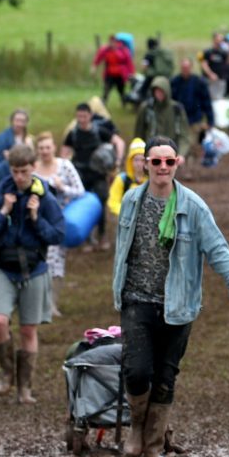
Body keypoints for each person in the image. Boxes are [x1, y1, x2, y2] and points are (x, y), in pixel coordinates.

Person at [113, 136, 229, 457]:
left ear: (178, 164)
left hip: (178, 306)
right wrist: (117, 290)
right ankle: (136, 428)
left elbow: (219, 253)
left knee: (165, 376)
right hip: (136, 299)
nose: (162, 167)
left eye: (169, 161)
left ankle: (152, 448)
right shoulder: (131, 201)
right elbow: (122, 253)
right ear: (144, 164)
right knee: (136, 372)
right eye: (156, 161)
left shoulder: (193, 206)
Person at [0, 144, 65, 405]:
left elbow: (58, 235)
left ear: (34, 168)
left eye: (24, 171)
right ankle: (6, 374)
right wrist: (4, 211)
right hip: (3, 267)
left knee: (28, 329)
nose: (19, 177)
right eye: (15, 171)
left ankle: (25, 387)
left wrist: (36, 218)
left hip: (34, 269)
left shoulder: (46, 198)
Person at [33, 132, 85, 317]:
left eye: (48, 147)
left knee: (55, 262)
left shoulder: (65, 166)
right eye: (41, 148)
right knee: (39, 261)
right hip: (38, 222)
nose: (45, 151)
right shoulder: (33, 171)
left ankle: (52, 304)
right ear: (37, 150)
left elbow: (80, 191)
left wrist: (63, 187)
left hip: (61, 221)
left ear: (53, 147)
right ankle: (39, 304)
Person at [62, 102, 125, 250]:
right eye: (79, 116)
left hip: (98, 174)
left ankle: (102, 236)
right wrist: (65, 167)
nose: (81, 119)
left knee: (100, 204)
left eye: (84, 116)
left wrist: (117, 161)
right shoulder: (73, 134)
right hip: (80, 175)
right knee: (82, 204)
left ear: (90, 115)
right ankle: (87, 237)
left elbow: (119, 142)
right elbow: (64, 152)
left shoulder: (100, 131)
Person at [170, 58, 214, 170]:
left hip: (195, 119)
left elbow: (206, 101)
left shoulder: (199, 82)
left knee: (192, 144)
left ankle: (189, 168)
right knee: (180, 143)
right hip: (179, 120)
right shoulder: (175, 82)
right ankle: (182, 166)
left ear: (191, 68)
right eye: (183, 68)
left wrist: (210, 120)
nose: (185, 70)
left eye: (187, 68)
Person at [107, 138, 147, 216]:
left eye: (142, 160)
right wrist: (127, 213)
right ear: (130, 161)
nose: (139, 163)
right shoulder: (122, 179)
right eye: (136, 160)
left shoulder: (151, 181)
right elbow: (113, 202)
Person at [91, 35, 134, 106]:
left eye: (113, 42)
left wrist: (131, 73)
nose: (112, 44)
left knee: (121, 91)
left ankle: (124, 102)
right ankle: (103, 103)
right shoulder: (105, 50)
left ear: (116, 42)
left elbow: (129, 62)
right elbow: (99, 57)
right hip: (110, 74)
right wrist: (94, 66)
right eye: (110, 42)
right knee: (106, 89)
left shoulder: (123, 50)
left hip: (120, 74)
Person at [199, 31, 229, 100]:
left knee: (219, 99)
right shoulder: (207, 52)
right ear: (214, 39)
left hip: (221, 80)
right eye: (219, 39)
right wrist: (210, 74)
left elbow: (228, 63)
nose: (220, 41)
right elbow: (204, 64)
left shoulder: (224, 52)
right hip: (210, 80)